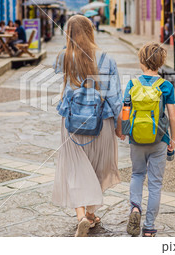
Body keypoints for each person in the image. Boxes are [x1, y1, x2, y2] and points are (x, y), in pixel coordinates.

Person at [52, 15, 123, 237]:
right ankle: (91, 214)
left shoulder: (64, 56)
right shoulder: (107, 59)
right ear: (90, 30)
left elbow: (63, 87)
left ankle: (83, 216)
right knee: (98, 167)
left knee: (75, 169)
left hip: (72, 122)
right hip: (101, 122)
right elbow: (115, 97)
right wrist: (120, 126)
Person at [123, 43, 175, 237]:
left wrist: (123, 131)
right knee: (155, 183)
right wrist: (172, 139)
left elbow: (125, 111)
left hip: (136, 139)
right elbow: (172, 116)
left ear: (141, 62)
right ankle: (149, 227)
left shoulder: (132, 84)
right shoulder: (166, 86)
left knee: (137, 175)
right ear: (161, 62)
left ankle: (135, 208)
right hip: (159, 138)